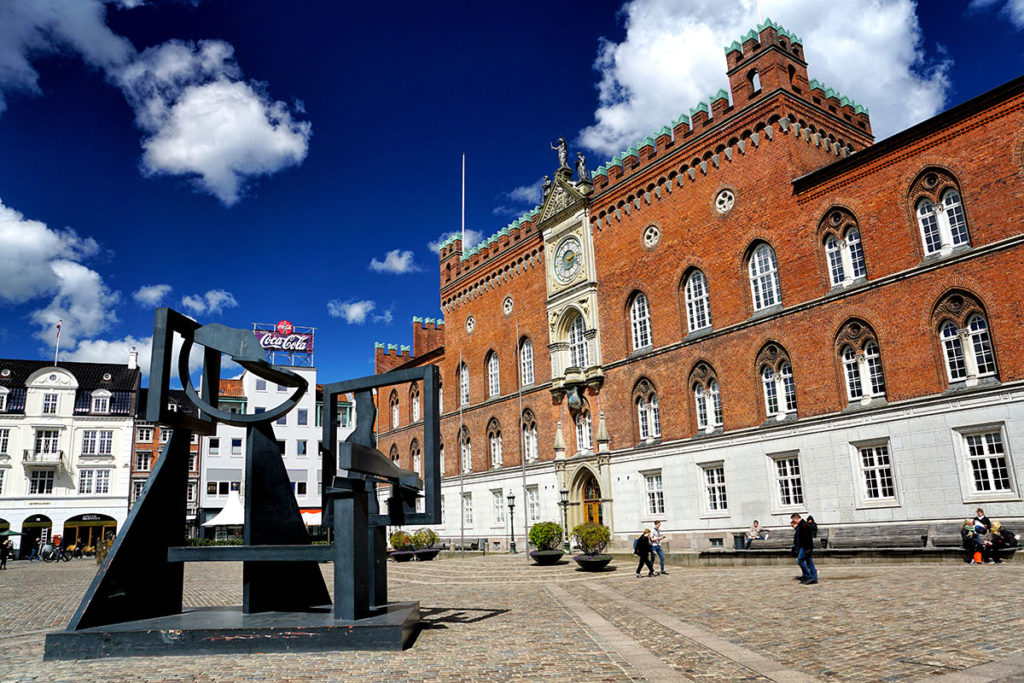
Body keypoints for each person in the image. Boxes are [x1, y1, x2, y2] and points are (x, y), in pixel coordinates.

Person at [791, 513, 818, 584]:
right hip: (806, 547)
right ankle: (814, 579)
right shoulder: (802, 525)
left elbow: (805, 538)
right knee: (810, 563)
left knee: (800, 561)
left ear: (796, 518)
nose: (794, 521)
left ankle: (809, 576)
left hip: (805, 547)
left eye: (793, 520)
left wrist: (805, 549)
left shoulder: (804, 525)